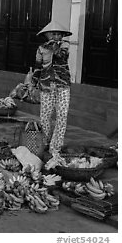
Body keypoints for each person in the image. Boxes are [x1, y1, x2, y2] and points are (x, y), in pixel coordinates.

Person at [35, 20, 72, 158]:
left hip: (63, 85)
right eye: (53, 34)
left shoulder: (65, 46)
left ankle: (55, 148)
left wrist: (54, 47)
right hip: (46, 85)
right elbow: (38, 67)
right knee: (45, 117)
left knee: (62, 116)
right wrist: (33, 84)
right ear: (47, 35)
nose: (56, 37)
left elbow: (61, 56)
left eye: (59, 34)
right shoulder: (41, 49)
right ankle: (45, 143)